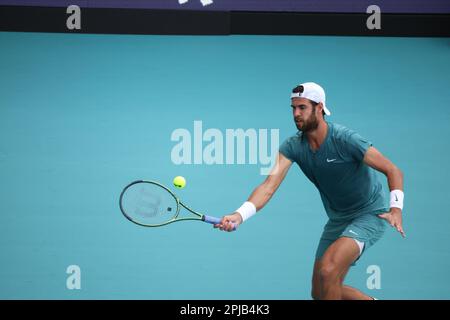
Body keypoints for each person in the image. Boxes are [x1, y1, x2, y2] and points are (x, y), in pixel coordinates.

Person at [214, 82, 405, 300]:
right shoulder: (292, 146)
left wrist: (396, 209)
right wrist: (239, 215)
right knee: (320, 292)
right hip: (338, 219)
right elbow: (268, 185)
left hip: (370, 215)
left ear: (319, 108)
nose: (296, 114)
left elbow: (393, 170)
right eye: (293, 108)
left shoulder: (345, 139)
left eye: (302, 107)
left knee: (329, 271)